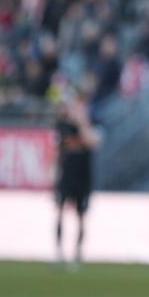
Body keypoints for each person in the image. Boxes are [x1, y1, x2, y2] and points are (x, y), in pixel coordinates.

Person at [54, 90, 101, 269]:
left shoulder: (91, 122)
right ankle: (58, 253)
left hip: (82, 175)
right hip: (66, 174)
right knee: (59, 211)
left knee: (81, 215)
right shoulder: (63, 124)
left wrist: (82, 123)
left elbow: (92, 142)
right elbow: (59, 148)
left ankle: (77, 254)